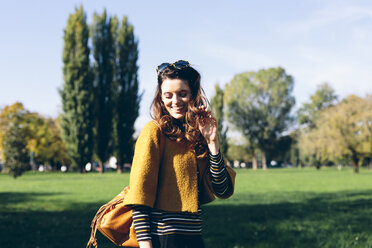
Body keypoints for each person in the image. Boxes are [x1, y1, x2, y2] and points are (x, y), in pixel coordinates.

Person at [123, 60, 236, 248]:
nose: (175, 101)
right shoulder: (154, 131)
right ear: (160, 97)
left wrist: (212, 144)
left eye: (182, 94)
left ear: (193, 95)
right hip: (162, 239)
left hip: (193, 238)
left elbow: (223, 190)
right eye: (168, 95)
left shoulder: (197, 135)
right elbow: (140, 197)